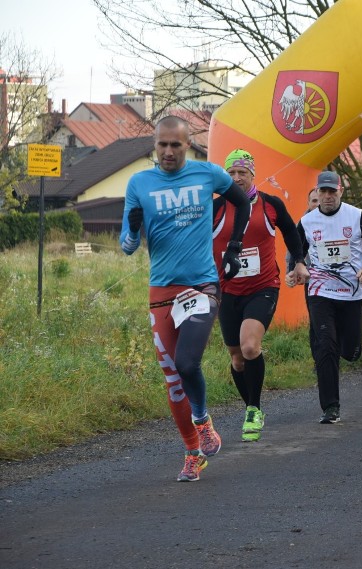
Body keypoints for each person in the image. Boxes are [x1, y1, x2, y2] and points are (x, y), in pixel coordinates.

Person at [120, 115, 250, 482]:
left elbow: (243, 203)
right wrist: (131, 227)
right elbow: (128, 248)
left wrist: (234, 245)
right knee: (173, 380)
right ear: (154, 145)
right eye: (161, 144)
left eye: (175, 145)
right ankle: (193, 452)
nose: (168, 151)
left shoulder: (207, 174)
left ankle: (202, 418)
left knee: (187, 362)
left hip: (201, 285)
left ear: (188, 144)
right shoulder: (139, 183)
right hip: (161, 290)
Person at [212, 149, 308, 442]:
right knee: (237, 359)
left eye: (243, 172)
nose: (238, 177)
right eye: (232, 173)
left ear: (253, 174)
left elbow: (292, 233)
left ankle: (253, 409)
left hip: (263, 286)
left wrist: (300, 261)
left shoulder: (270, 204)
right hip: (228, 290)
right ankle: (251, 406)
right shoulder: (215, 208)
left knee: (250, 346)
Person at [287, 170, 362, 423]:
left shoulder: (356, 216)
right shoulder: (307, 221)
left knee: (351, 352)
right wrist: (296, 268)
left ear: (340, 191)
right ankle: (331, 407)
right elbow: (297, 250)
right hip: (321, 290)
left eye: (332, 191)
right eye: (323, 191)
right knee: (325, 344)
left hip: (351, 293)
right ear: (317, 193)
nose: (327, 196)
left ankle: (348, 350)